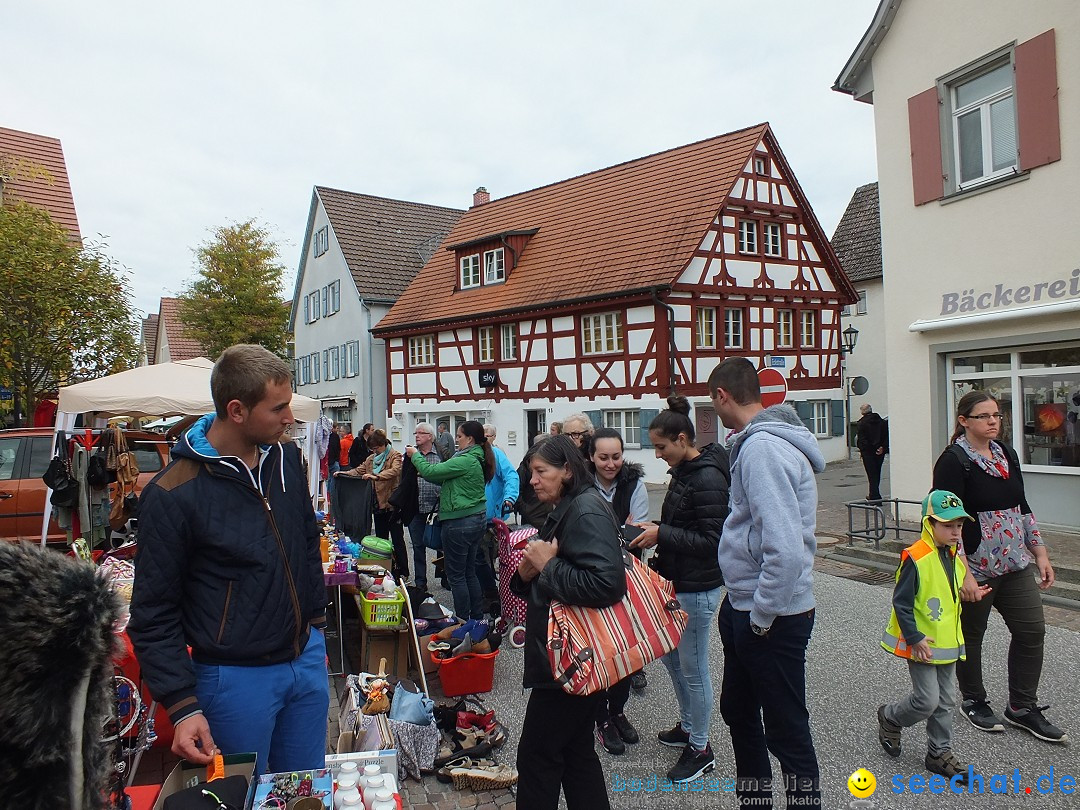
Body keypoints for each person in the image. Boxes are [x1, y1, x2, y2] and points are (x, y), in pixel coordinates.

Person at [128, 344, 328, 775]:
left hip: (305, 661)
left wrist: (315, 626)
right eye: (278, 409)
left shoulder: (286, 459)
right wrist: (182, 705)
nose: (290, 418)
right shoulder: (172, 493)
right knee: (238, 795)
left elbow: (307, 541)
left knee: (306, 790)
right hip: (234, 679)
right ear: (236, 410)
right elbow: (153, 613)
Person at [709, 357, 822, 808]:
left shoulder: (762, 449)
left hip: (771, 614)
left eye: (711, 401)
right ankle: (754, 801)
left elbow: (786, 549)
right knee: (739, 710)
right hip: (746, 605)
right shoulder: (759, 443)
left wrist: (760, 615)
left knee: (785, 727)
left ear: (722, 396)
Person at [932, 391, 1066, 743]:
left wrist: (1040, 553)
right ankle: (974, 700)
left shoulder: (1007, 454)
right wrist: (963, 573)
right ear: (964, 421)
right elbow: (946, 522)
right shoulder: (953, 461)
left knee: (1032, 631)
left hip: (1015, 563)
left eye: (997, 415)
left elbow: (1021, 506)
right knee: (971, 638)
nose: (993, 421)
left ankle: (1022, 706)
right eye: (984, 416)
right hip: (977, 566)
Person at [510, 434, 626, 810]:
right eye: (532, 473)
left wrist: (547, 566)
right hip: (567, 656)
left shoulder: (585, 511)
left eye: (541, 472)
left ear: (567, 470)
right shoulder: (566, 507)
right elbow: (533, 578)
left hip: (570, 659)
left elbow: (607, 585)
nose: (532, 480)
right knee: (576, 753)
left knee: (537, 756)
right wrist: (528, 573)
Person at [629, 397, 729, 782]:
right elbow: (686, 524)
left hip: (697, 589)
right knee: (673, 661)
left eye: (661, 447)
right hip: (676, 583)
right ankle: (689, 728)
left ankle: (701, 748)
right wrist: (653, 530)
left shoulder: (705, 477)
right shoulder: (686, 471)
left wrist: (662, 533)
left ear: (682, 438)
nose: (658, 455)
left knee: (694, 668)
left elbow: (712, 539)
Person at [879, 490, 986, 783]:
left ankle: (939, 752)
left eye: (960, 526)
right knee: (927, 701)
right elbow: (901, 602)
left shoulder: (954, 557)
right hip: (923, 643)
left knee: (946, 700)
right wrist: (914, 637)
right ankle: (891, 717)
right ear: (929, 524)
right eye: (948, 525)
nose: (955, 532)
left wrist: (970, 592)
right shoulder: (916, 557)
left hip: (947, 643)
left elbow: (950, 593)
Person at [588, 427, 650, 754]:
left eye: (616, 457)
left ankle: (618, 711)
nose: (610, 464)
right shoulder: (584, 486)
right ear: (591, 457)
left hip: (627, 577)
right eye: (603, 457)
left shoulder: (633, 484)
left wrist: (614, 534)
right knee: (601, 652)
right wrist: (618, 531)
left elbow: (637, 531)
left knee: (626, 652)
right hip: (593, 579)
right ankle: (601, 720)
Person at [407, 421, 493, 623]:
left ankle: (462, 621)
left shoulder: (466, 459)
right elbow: (445, 478)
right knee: (469, 572)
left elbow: (432, 472)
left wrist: (416, 457)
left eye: (460, 436)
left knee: (457, 576)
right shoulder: (475, 458)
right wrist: (427, 472)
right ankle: (476, 619)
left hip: (460, 523)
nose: (456, 439)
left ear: (470, 439)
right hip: (474, 520)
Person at [339, 430, 407, 580]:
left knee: (397, 539)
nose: (374, 451)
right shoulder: (371, 459)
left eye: (377, 448)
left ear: (384, 444)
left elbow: (395, 471)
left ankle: (403, 571)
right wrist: (343, 474)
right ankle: (383, 570)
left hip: (392, 504)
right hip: (377, 505)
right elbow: (359, 470)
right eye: (372, 449)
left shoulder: (394, 456)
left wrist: (376, 476)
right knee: (380, 541)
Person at [478, 424, 519, 611]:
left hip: (490, 517)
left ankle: (492, 594)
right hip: (469, 515)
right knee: (477, 559)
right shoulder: (466, 455)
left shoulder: (496, 454)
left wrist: (509, 498)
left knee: (486, 558)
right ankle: (485, 594)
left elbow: (511, 476)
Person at [406, 422, 442, 591]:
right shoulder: (410, 455)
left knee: (441, 545)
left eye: (420, 433)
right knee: (418, 546)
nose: (417, 436)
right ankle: (421, 582)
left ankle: (445, 577)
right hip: (416, 507)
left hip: (437, 508)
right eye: (416, 433)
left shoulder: (442, 454)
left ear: (430, 436)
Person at [856, 403, 888, 501]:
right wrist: (882, 447)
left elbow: (862, 440)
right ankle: (875, 494)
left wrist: (866, 450)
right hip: (880, 452)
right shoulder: (881, 422)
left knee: (871, 474)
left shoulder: (861, 423)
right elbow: (886, 436)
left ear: (862, 412)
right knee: (877, 473)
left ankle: (874, 496)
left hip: (868, 453)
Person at [326, 422, 342, 506]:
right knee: (334, 480)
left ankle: (328, 498)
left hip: (326, 462)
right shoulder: (335, 437)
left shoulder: (325, 436)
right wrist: (337, 459)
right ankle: (333, 498)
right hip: (334, 461)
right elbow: (338, 449)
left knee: (328, 480)